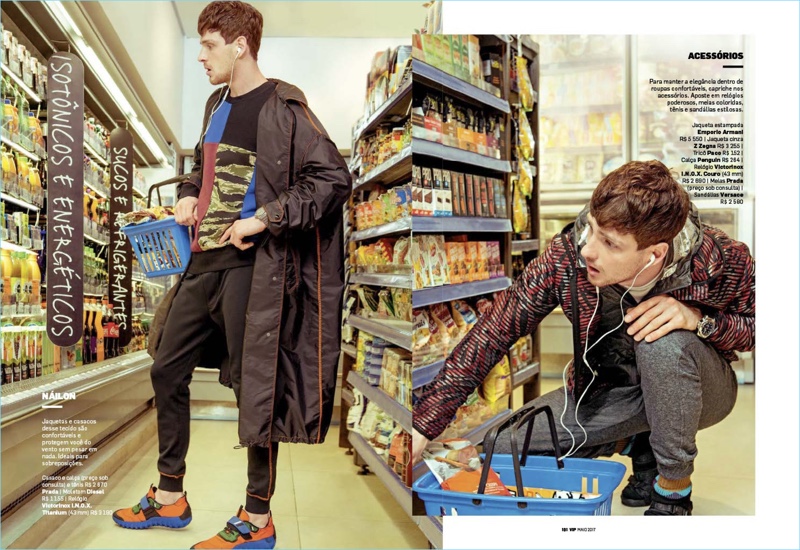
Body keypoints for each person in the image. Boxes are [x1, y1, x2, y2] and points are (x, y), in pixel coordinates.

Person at [112, 2, 351, 547]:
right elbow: (201, 167)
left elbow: (333, 178)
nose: (201, 56)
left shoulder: (285, 105)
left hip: (253, 268)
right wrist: (186, 195)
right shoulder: (214, 104)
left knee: (254, 390)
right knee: (166, 365)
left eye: (209, 45)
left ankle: (257, 515)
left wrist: (263, 218)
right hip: (202, 263)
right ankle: (170, 495)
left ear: (240, 44)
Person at [412, 160, 754, 516]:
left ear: (655, 254)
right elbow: (493, 331)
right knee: (499, 449)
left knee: (662, 342)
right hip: (605, 391)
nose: (589, 249)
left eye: (609, 243)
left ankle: (672, 487)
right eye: (591, 229)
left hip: (701, 390)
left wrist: (698, 321)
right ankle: (636, 441)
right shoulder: (565, 258)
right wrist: (425, 422)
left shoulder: (722, 259)